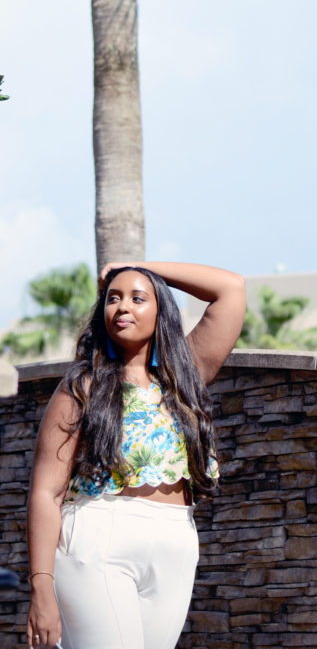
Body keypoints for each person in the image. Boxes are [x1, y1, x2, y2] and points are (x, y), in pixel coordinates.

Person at [25, 260, 246, 649]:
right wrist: (41, 586)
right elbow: (46, 493)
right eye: (113, 298)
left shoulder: (183, 377)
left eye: (137, 298)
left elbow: (231, 289)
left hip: (175, 542)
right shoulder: (82, 388)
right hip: (99, 536)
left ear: (160, 310)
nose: (123, 307)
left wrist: (136, 266)